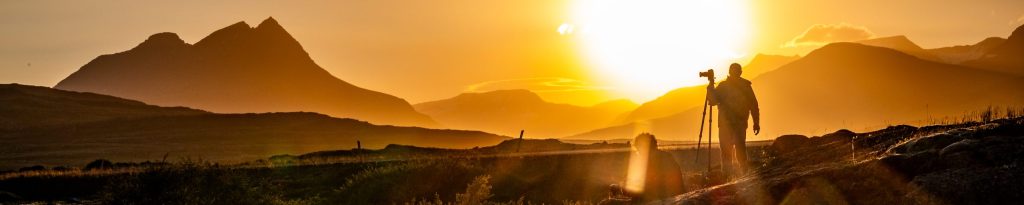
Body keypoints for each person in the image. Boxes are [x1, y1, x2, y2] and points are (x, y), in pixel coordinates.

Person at [707, 63, 760, 179]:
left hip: (732, 123)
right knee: (736, 149)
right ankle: (738, 175)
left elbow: (712, 101)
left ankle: (732, 175)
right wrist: (756, 122)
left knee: (733, 150)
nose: (736, 72)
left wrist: (710, 88)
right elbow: (712, 102)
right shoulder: (743, 86)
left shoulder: (729, 86)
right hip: (733, 123)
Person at [621, 133, 684, 203]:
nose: (639, 153)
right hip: (675, 197)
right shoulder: (667, 156)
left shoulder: (651, 161)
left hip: (662, 199)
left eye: (639, 150)